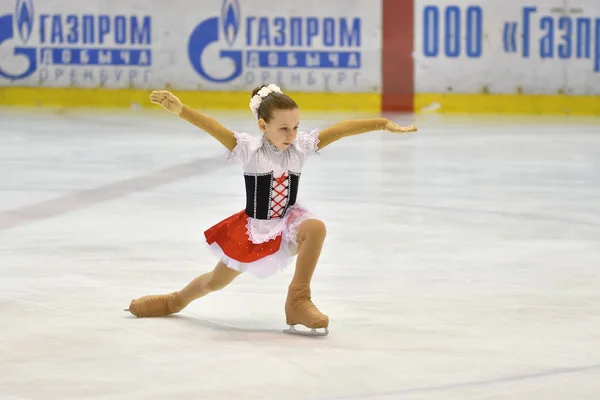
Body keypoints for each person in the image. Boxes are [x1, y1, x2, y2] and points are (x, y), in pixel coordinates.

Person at [125, 84, 417, 336]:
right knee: (215, 282)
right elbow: (214, 128)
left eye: (295, 127)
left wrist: (382, 123)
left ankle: (298, 300)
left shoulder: (301, 147)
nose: (291, 134)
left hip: (288, 224)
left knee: (315, 227)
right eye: (283, 128)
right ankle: (174, 301)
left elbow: (339, 130)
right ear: (262, 125)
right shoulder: (248, 150)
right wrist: (181, 110)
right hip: (254, 232)